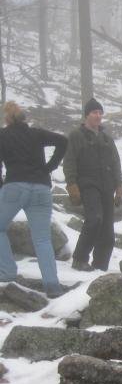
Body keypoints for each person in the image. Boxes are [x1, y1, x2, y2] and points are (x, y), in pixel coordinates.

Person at [0, 101, 68, 298]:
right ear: (23, 118)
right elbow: (64, 141)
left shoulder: (3, 136)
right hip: (42, 188)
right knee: (42, 238)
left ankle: (7, 272)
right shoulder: (36, 133)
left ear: (7, 118)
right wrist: (50, 167)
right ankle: (52, 286)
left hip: (15, 187)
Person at [62, 98, 122, 272]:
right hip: (87, 184)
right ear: (86, 115)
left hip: (107, 186)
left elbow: (116, 163)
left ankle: (100, 266)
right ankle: (80, 259)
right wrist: (72, 185)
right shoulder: (76, 135)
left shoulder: (107, 139)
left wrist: (119, 187)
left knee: (108, 233)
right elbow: (69, 162)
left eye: (100, 113)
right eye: (94, 112)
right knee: (95, 219)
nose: (98, 116)